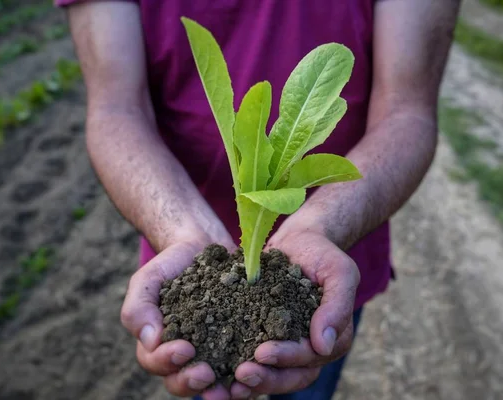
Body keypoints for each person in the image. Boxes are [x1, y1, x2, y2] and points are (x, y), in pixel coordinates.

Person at [57, 0, 460, 398]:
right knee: (203, 372)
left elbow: (407, 110)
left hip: (324, 266)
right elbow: (115, 109)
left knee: (308, 375)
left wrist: (321, 224)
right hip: (191, 269)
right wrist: (180, 231)